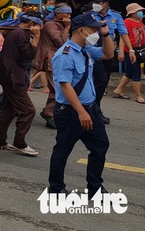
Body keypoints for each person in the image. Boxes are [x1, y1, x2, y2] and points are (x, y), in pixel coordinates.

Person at [48, 13, 114, 198]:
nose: (96, 33)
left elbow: (108, 54)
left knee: (100, 146)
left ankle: (95, 187)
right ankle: (56, 188)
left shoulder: (85, 50)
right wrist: (81, 112)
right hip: (71, 112)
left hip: (90, 108)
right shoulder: (65, 54)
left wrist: (106, 34)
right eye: (93, 29)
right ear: (81, 30)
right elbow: (65, 85)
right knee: (63, 149)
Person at [0, 11, 42, 156]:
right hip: (13, 76)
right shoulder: (20, 33)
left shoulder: (17, 32)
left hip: (10, 74)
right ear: (32, 24)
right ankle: (19, 143)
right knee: (28, 110)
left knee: (9, 109)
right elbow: (28, 54)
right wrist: (36, 37)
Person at [89, 0, 132, 125]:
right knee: (99, 79)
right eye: (94, 1)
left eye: (98, 2)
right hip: (92, 50)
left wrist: (130, 50)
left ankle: (94, 108)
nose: (95, 4)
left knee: (103, 81)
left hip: (107, 50)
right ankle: (91, 109)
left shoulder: (115, 16)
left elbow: (123, 33)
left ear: (105, 4)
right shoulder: (89, 15)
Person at [35, 4, 73, 128]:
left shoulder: (58, 24)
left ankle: (50, 112)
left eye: (69, 14)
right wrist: (67, 27)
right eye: (66, 14)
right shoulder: (51, 25)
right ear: (58, 14)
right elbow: (60, 41)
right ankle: (49, 112)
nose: (68, 16)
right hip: (50, 59)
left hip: (55, 59)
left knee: (55, 89)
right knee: (58, 89)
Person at [112, 3, 145, 103]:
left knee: (130, 72)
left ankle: (118, 89)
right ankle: (138, 96)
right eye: (138, 11)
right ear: (133, 13)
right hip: (130, 51)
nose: (141, 13)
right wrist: (121, 51)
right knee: (136, 73)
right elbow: (123, 37)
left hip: (139, 50)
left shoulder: (139, 21)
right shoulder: (127, 22)